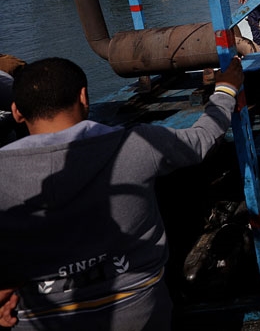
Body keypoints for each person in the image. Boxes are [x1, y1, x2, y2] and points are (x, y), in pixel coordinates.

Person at [0, 56, 243, 330]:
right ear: (84, 97)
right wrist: (225, 91)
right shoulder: (137, 143)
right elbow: (203, 140)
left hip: (38, 320)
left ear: (17, 112)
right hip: (140, 312)